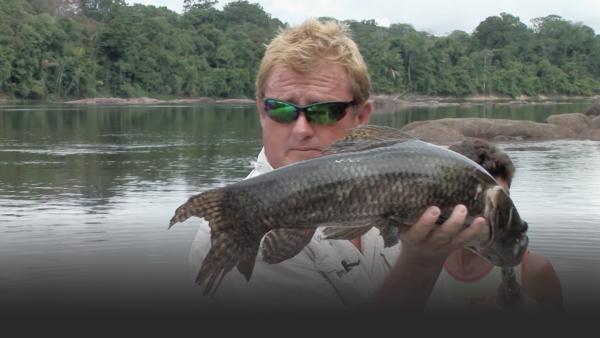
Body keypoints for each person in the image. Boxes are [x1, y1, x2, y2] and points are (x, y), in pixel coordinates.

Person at [189, 18, 486, 312]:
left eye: (325, 111)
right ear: (261, 111)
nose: (301, 129)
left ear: (362, 116)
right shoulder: (237, 225)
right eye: (281, 109)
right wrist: (420, 263)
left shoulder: (400, 197)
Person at [426, 138, 563, 312]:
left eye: (503, 199)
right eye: (482, 201)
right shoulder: (412, 262)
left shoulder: (533, 270)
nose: (494, 213)